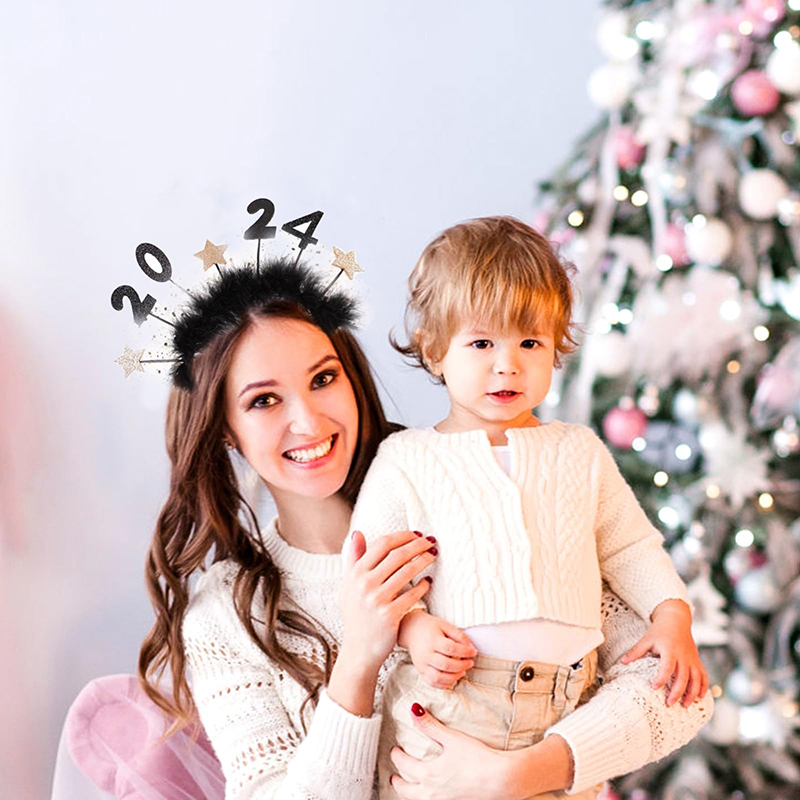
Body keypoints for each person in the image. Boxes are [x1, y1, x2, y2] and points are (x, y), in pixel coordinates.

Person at [138, 256, 712, 800]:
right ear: (224, 428)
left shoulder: (470, 503)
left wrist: (520, 774)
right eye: (264, 400)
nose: (307, 421)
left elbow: (680, 694)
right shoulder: (226, 615)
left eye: (323, 378)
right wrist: (360, 659)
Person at [347, 217, 709, 799]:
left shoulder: (579, 451)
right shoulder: (408, 459)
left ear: (555, 349)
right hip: (452, 706)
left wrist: (672, 616)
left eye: (530, 343)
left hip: (566, 713)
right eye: (482, 343)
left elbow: (631, 546)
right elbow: (367, 575)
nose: (508, 364)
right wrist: (414, 629)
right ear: (435, 350)